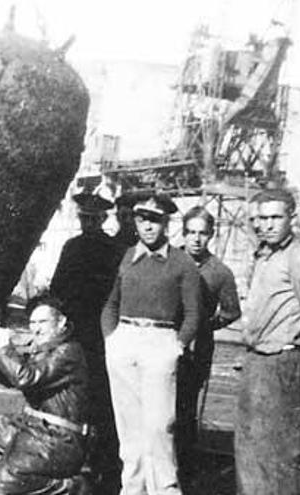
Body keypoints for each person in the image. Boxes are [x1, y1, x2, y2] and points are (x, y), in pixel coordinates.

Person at [234, 189, 300, 495]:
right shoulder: (265, 255)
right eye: (261, 218)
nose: (266, 225)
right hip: (257, 360)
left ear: (292, 218)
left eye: (275, 217)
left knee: (275, 453)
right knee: (248, 449)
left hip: (283, 361)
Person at [101, 194, 202, 495]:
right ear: (135, 221)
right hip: (125, 342)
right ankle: (132, 489)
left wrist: (177, 346)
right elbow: (111, 303)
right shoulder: (127, 256)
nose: (148, 226)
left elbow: (194, 313)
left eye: (155, 220)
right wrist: (112, 339)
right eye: (142, 219)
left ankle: (165, 489)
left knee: (159, 425)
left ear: (166, 223)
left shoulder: (181, 262)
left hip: (161, 342)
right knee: (129, 428)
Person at [0, 296, 94, 495]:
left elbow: (26, 378)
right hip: (36, 432)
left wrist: (4, 349)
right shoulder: (46, 350)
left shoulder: (68, 351)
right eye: (32, 323)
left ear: (62, 322)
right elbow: (12, 379)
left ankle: (70, 488)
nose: (36, 329)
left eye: (43, 322)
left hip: (57, 440)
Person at [49, 192, 123, 493]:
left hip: (101, 333)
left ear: (104, 220)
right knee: (72, 398)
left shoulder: (113, 250)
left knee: (101, 401)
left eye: (94, 219)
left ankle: (101, 464)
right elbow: (57, 287)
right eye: (84, 218)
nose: (88, 223)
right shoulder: (71, 247)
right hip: (75, 332)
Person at [176, 206, 240, 471]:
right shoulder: (169, 260)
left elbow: (232, 311)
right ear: (183, 233)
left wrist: (205, 327)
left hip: (196, 349)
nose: (196, 239)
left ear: (211, 234)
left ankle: (184, 465)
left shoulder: (220, 272)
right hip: (164, 341)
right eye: (190, 232)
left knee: (186, 407)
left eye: (202, 233)